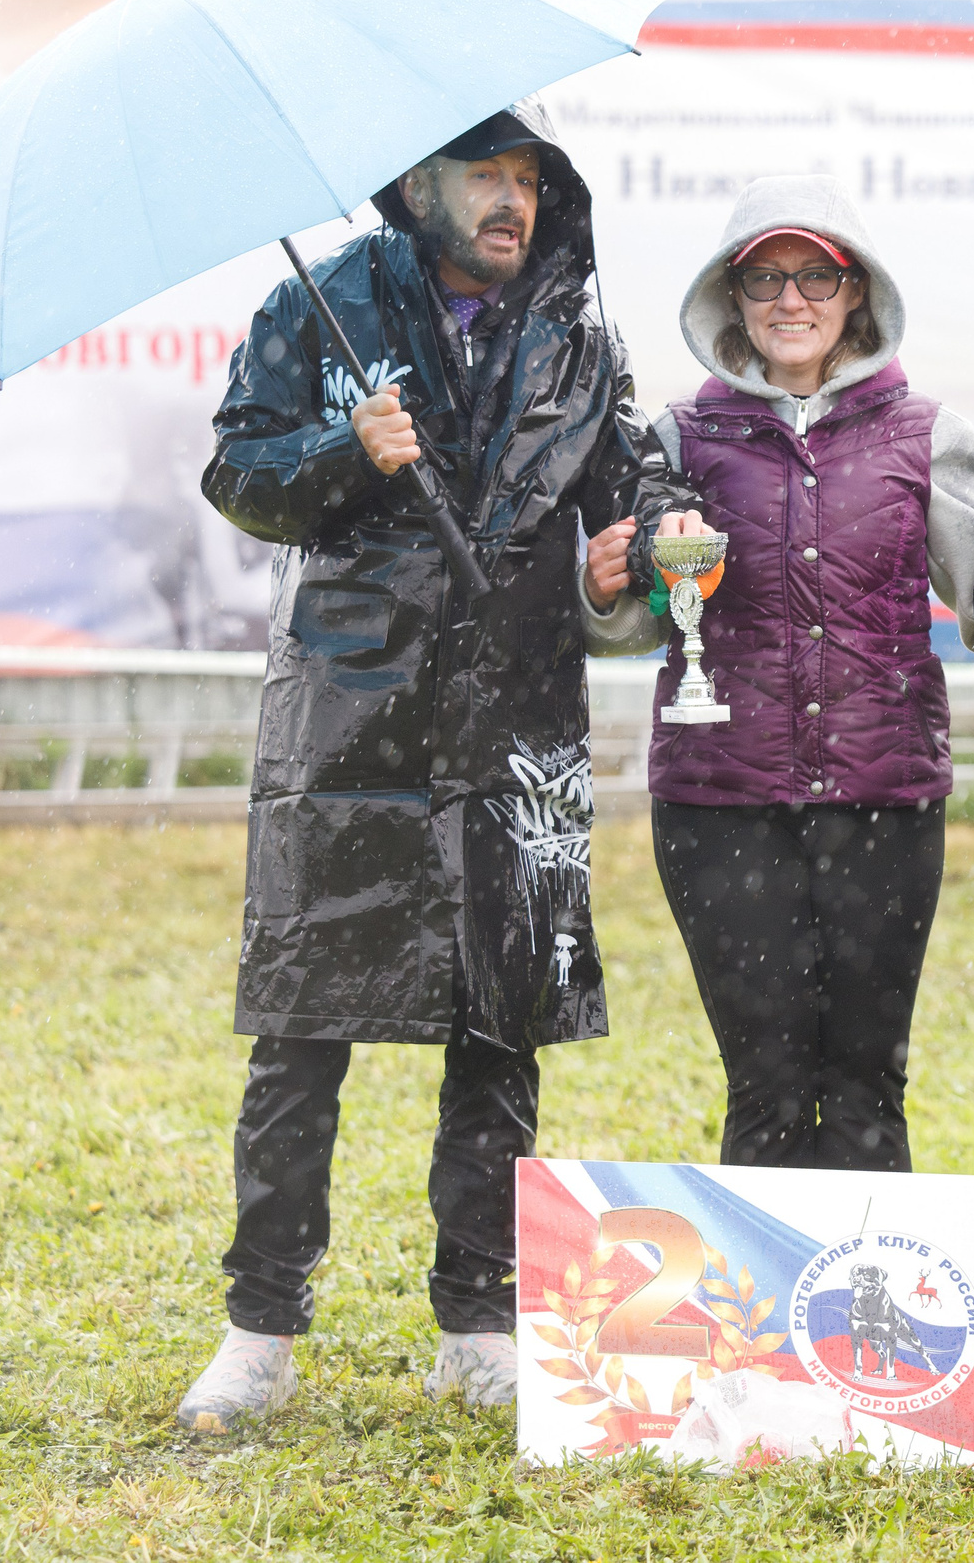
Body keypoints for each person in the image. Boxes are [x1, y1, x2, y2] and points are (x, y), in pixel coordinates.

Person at [179, 101, 678, 1431]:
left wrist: (640, 551)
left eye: (527, 178)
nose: (510, 201)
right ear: (417, 182)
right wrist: (352, 451)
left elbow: (637, 484)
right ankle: (260, 1332)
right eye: (484, 176)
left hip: (512, 722)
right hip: (346, 724)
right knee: (300, 1035)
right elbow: (239, 469)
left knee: (500, 1032)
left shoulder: (581, 331)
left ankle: (480, 1322)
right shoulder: (329, 301)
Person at [581, 175, 974, 1170]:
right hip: (721, 806)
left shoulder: (929, 435)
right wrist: (599, 587)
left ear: (857, 293)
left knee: (866, 1086)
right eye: (765, 278)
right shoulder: (675, 437)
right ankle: (763, 1329)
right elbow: (631, 626)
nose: (790, 300)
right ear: (732, 294)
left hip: (884, 805)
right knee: (763, 1084)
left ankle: (866, 1325)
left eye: (815, 275)